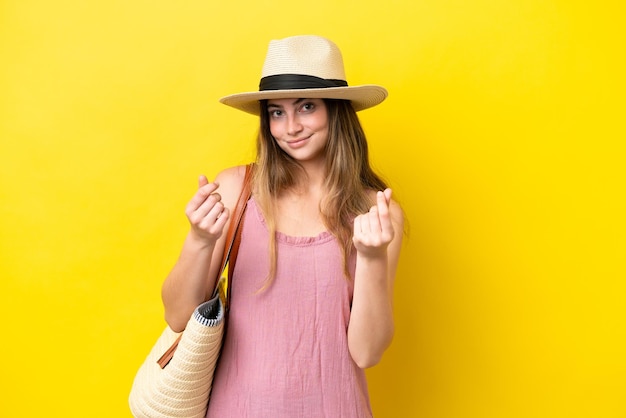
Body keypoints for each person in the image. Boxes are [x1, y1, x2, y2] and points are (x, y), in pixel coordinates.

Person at [161, 35, 404, 417]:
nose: (290, 127)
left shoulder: (374, 211)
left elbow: (367, 352)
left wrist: (372, 258)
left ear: (336, 110)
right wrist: (200, 240)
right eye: (276, 112)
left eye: (306, 107)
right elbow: (177, 316)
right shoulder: (236, 188)